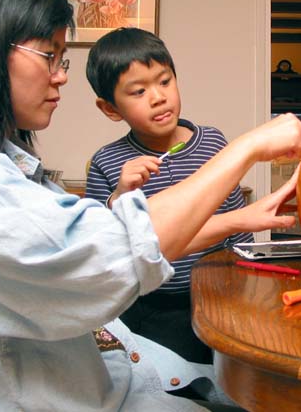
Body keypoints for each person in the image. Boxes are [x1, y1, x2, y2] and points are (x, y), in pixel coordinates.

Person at [0, 0, 301, 411]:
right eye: (49, 55)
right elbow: (114, 251)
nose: (61, 75)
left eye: (62, 59)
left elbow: (111, 243)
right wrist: (248, 148)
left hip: (124, 373)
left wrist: (242, 214)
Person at [85, 27, 254, 364]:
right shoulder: (108, 162)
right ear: (110, 108)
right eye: (138, 91)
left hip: (220, 295)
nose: (158, 97)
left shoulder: (213, 143)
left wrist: (246, 283)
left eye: (165, 81)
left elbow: (240, 227)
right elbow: (101, 248)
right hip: (151, 309)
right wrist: (119, 195)